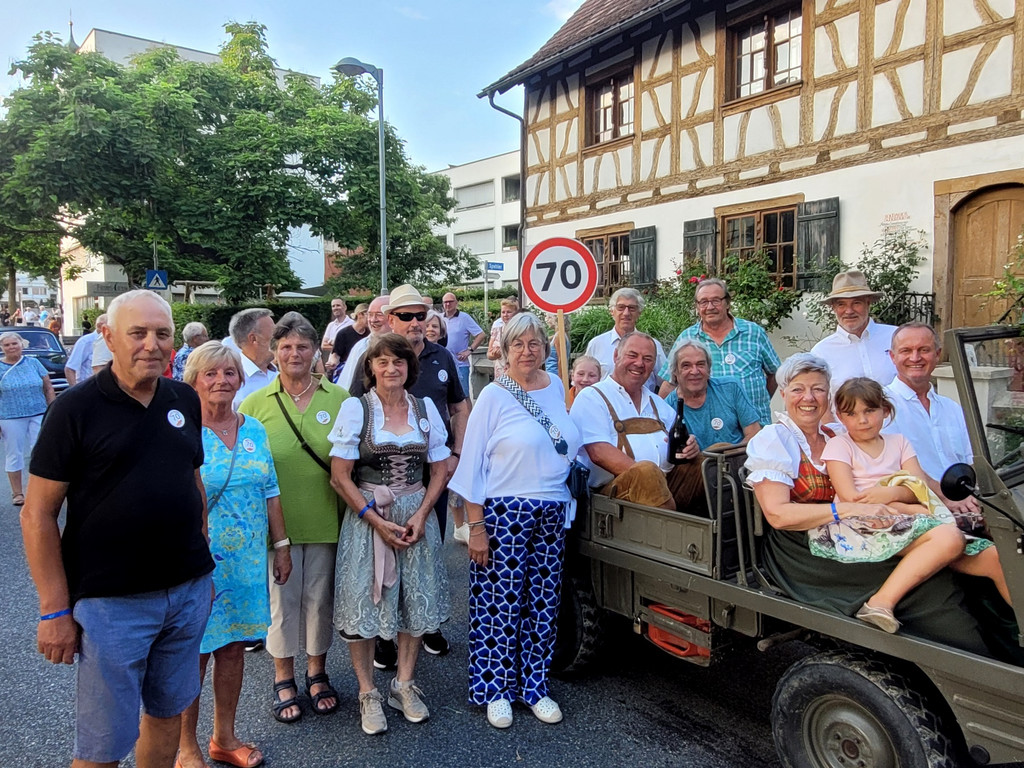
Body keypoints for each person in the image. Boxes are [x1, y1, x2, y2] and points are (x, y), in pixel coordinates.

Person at [21, 289, 214, 768]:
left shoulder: (183, 398)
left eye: (162, 333)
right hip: (111, 604)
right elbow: (37, 513)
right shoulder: (75, 409)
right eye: (138, 333)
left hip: (186, 593)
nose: (152, 344)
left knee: (167, 715)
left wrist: (203, 564)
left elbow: (192, 482)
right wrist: (53, 610)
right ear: (107, 336)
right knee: (103, 744)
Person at [743, 353, 1002, 653]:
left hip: (868, 523)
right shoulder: (774, 439)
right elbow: (778, 515)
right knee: (938, 569)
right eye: (798, 389)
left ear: (828, 395)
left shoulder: (839, 434)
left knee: (993, 556)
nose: (809, 398)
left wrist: (939, 498)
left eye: (818, 389)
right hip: (804, 547)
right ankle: (963, 652)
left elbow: (908, 480)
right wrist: (851, 508)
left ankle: (1011, 641)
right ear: (783, 393)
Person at [449, 312, 582, 730]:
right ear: (504, 351)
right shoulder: (493, 396)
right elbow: (472, 464)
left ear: (545, 348)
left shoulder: (555, 385)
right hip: (504, 512)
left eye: (534, 343)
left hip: (552, 510)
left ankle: (534, 686)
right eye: (518, 344)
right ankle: (496, 690)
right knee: (500, 603)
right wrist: (476, 527)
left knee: (543, 602)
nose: (527, 351)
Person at [328, 333, 451, 735]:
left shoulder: (424, 408)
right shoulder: (356, 409)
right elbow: (340, 476)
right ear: (371, 368)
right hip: (369, 519)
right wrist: (376, 521)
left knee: (414, 600)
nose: (391, 368)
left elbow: (440, 468)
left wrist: (422, 513)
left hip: (415, 516)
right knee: (365, 601)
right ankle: (368, 692)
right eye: (382, 361)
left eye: (398, 361)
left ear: (409, 367)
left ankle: (404, 684)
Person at [177, 342, 292, 768]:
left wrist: (281, 546)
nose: (221, 381)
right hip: (197, 562)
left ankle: (223, 737)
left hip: (246, 562)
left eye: (229, 373)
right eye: (210, 373)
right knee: (193, 655)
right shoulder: (182, 431)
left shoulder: (254, 429)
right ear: (193, 381)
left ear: (240, 379)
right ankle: (185, 746)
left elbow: (270, 489)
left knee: (232, 650)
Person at [818, 377, 1009, 633]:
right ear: (841, 417)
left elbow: (919, 489)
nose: (862, 420)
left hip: (912, 519)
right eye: (851, 413)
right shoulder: (840, 445)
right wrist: (907, 505)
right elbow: (852, 498)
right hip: (865, 522)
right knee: (949, 538)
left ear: (885, 410)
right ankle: (880, 602)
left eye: (870, 410)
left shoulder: (899, 442)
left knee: (996, 557)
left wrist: (891, 493)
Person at [237, 312, 348, 723]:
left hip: (326, 519)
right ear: (273, 351)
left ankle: (317, 672)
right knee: (280, 604)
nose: (294, 353)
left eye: (303, 346)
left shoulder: (339, 399)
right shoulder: (254, 404)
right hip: (275, 524)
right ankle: (283, 676)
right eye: (285, 346)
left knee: (319, 601)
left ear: (315, 349)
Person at [349, 284, 468, 659]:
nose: (416, 322)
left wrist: (456, 453)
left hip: (431, 473)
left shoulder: (442, 356)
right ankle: (385, 634)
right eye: (406, 316)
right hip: (383, 478)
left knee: (426, 551)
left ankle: (426, 623)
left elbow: (459, 407)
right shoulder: (373, 356)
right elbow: (355, 408)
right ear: (390, 319)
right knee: (385, 553)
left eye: (421, 315)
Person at [571, 332, 700, 510]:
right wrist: (650, 478)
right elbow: (598, 453)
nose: (639, 363)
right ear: (616, 356)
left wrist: (690, 447)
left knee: (707, 462)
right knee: (646, 470)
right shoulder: (592, 397)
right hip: (615, 496)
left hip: (665, 485)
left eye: (647, 359)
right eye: (632, 355)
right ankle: (678, 524)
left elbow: (679, 441)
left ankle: (722, 525)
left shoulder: (656, 402)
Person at [882, 322, 980, 520]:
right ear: (892, 357)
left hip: (967, 504)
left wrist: (973, 498)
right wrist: (945, 497)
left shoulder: (952, 408)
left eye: (924, 350)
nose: (915, 358)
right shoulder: (882, 407)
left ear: (937, 354)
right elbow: (895, 468)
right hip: (919, 510)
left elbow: (973, 460)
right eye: (906, 350)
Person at [660, 278, 780, 426]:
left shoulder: (753, 332)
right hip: (711, 429)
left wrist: (759, 400)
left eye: (716, 300)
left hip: (756, 425)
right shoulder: (687, 338)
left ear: (727, 303)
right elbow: (670, 382)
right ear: (697, 306)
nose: (710, 307)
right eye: (703, 302)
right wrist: (657, 419)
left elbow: (775, 373)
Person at [811, 270, 897, 394]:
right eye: (841, 305)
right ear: (833, 308)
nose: (849, 311)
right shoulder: (821, 353)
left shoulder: (895, 337)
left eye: (856, 303)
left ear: (868, 303)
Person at [664, 339, 760, 450]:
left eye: (700, 364)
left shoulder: (731, 388)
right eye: (686, 366)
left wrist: (731, 457)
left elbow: (754, 433)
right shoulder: (667, 408)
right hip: (696, 461)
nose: (695, 371)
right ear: (675, 372)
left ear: (709, 369)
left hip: (739, 457)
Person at [0, 331, 55, 505]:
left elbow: (48, 387)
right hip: (10, 416)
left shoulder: (34, 363)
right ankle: (17, 493)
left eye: (14, 343)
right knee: (13, 454)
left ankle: (40, 491)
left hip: (38, 413)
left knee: (41, 452)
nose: (11, 347)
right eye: (7, 345)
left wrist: (53, 411)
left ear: (21, 344)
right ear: (2, 348)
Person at [585, 287, 667, 390]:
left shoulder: (652, 346)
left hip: (641, 400)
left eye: (632, 308)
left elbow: (666, 382)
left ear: (639, 313)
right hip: (603, 400)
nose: (626, 313)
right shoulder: (596, 344)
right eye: (621, 307)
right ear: (612, 311)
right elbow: (585, 379)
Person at [337, 296, 389, 393]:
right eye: (370, 315)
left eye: (379, 315)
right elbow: (346, 385)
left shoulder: (404, 346)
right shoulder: (361, 346)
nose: (373, 320)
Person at [229, 309, 278, 409]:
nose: (280, 340)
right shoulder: (231, 380)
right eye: (274, 335)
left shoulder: (279, 375)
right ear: (253, 339)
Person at [442, 292, 485, 397]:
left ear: (456, 302)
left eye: (450, 301)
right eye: (445, 302)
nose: (448, 304)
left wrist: (470, 350)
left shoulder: (464, 318)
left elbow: (481, 335)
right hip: (443, 364)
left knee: (463, 396)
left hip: (460, 364)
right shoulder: (439, 318)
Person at [326, 303, 369, 379]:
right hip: (347, 371)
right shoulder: (343, 333)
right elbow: (335, 355)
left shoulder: (370, 333)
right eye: (369, 315)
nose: (371, 319)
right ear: (360, 315)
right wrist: (332, 363)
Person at [65, 315, 106, 387]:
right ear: (100, 326)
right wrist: (75, 391)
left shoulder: (113, 342)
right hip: (88, 388)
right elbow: (70, 369)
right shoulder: (86, 342)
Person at [486, 297, 520, 380]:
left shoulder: (520, 330)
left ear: (516, 314)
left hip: (516, 372)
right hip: (500, 372)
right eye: (503, 312)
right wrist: (495, 355)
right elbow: (489, 355)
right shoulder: (497, 329)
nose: (505, 315)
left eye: (509, 312)